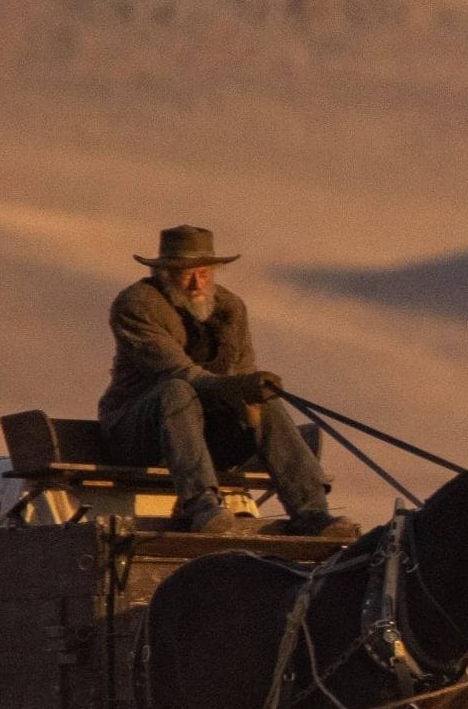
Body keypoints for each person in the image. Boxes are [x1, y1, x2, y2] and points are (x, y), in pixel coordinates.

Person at [96, 225, 346, 535]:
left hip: (203, 435)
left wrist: (254, 392)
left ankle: (312, 513)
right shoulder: (136, 305)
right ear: (163, 273)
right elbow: (178, 371)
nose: (195, 282)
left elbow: (242, 374)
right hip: (139, 433)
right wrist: (238, 387)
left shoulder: (230, 307)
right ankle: (202, 507)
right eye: (184, 273)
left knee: (265, 402)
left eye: (203, 272)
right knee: (177, 390)